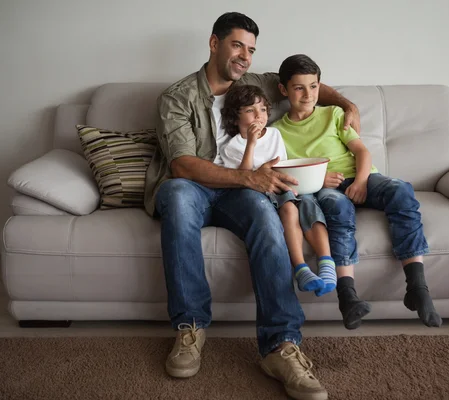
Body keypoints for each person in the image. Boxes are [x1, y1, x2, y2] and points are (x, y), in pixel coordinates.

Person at [144, 12, 361, 400]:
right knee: (176, 194)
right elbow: (182, 164)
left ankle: (281, 345)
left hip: (241, 195)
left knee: (265, 212)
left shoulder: (255, 83)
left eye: (251, 49)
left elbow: (305, 87)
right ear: (214, 44)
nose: (244, 55)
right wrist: (249, 178)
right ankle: (190, 328)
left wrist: (347, 105)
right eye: (237, 45)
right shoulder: (176, 97)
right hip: (193, 187)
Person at [273, 54, 443, 328]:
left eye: (313, 86)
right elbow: (284, 173)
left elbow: (362, 152)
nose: (308, 95)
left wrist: (361, 182)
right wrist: (317, 178)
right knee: (336, 208)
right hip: (325, 189)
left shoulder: (334, 114)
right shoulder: (277, 132)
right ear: (284, 90)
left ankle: (417, 287)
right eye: (299, 88)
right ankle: (347, 296)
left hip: (361, 177)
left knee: (401, 190)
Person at [220, 84, 335, 294]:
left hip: (283, 186)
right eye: (250, 110)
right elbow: (242, 177)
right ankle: (301, 268)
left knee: (308, 204)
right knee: (290, 208)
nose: (259, 116)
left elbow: (282, 164)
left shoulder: (274, 135)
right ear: (235, 118)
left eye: (263, 109)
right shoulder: (232, 146)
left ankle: (327, 265)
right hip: (258, 194)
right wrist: (251, 144)